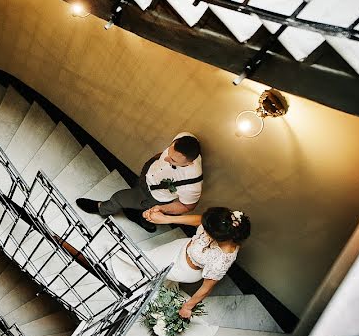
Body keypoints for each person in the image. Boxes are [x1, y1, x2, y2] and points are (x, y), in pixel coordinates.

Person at [115, 207, 251, 318]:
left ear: (219, 237)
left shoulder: (222, 260)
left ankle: (137, 279)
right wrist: (166, 219)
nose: (203, 227)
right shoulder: (220, 222)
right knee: (151, 259)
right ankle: (138, 271)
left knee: (152, 266)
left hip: (183, 269)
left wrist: (187, 307)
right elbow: (199, 220)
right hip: (180, 247)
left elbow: (206, 288)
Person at [75, 132, 202, 232]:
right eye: (169, 151)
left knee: (119, 198)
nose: (167, 158)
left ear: (189, 163)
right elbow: (164, 155)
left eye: (173, 160)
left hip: (154, 195)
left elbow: (187, 206)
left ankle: (102, 208)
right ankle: (141, 218)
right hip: (147, 176)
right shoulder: (185, 137)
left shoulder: (192, 185)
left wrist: (160, 208)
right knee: (139, 202)